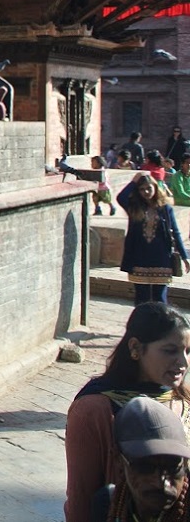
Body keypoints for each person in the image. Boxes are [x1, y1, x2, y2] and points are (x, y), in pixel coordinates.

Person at [65, 302, 190, 522]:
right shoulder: (94, 410)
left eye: (188, 351)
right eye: (170, 351)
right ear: (135, 348)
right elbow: (81, 496)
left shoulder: (184, 401)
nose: (183, 362)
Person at [89, 396, 190, 521]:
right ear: (119, 460)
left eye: (173, 467)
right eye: (146, 467)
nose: (161, 483)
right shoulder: (107, 504)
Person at [119, 173, 190, 305]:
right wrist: (134, 181)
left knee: (160, 299)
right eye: (142, 189)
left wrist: (184, 256)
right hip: (139, 257)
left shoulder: (165, 209)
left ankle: (160, 319)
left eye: (149, 188)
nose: (146, 192)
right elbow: (121, 197)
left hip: (161, 258)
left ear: (155, 188)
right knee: (141, 298)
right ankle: (142, 319)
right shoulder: (134, 208)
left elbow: (175, 233)